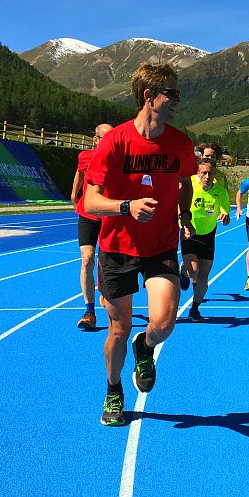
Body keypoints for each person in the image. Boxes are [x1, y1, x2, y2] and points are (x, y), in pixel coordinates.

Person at [84, 63, 197, 427]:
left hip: (160, 247)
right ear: (148, 97)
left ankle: (144, 348)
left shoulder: (180, 142)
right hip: (117, 248)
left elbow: (186, 183)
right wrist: (126, 207)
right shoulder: (115, 141)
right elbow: (89, 201)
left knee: (163, 323)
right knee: (119, 328)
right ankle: (113, 388)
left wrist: (184, 217)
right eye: (172, 93)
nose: (177, 100)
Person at [71, 122, 114, 330]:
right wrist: (74, 194)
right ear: (95, 139)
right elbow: (80, 172)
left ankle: (105, 290)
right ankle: (89, 312)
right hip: (88, 214)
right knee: (87, 259)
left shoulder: (117, 159)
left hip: (108, 216)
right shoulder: (85, 156)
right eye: (104, 138)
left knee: (106, 261)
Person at [183, 158, 231, 322]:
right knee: (193, 271)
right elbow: (179, 203)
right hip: (190, 233)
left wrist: (225, 217)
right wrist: (183, 222)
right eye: (204, 172)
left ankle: (195, 309)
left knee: (203, 276)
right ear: (198, 173)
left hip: (209, 236)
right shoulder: (190, 186)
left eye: (210, 173)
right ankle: (184, 271)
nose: (207, 176)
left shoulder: (221, 192)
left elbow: (226, 214)